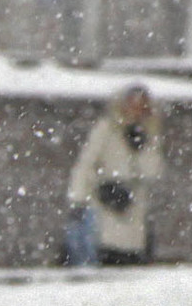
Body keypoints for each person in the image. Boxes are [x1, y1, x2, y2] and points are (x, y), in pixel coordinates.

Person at [67, 85, 162, 266]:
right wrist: (80, 198)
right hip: (106, 201)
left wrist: (142, 146)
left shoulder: (150, 133)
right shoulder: (107, 129)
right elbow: (86, 164)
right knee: (106, 250)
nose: (136, 110)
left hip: (134, 205)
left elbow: (153, 170)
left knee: (132, 254)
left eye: (141, 106)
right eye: (132, 105)